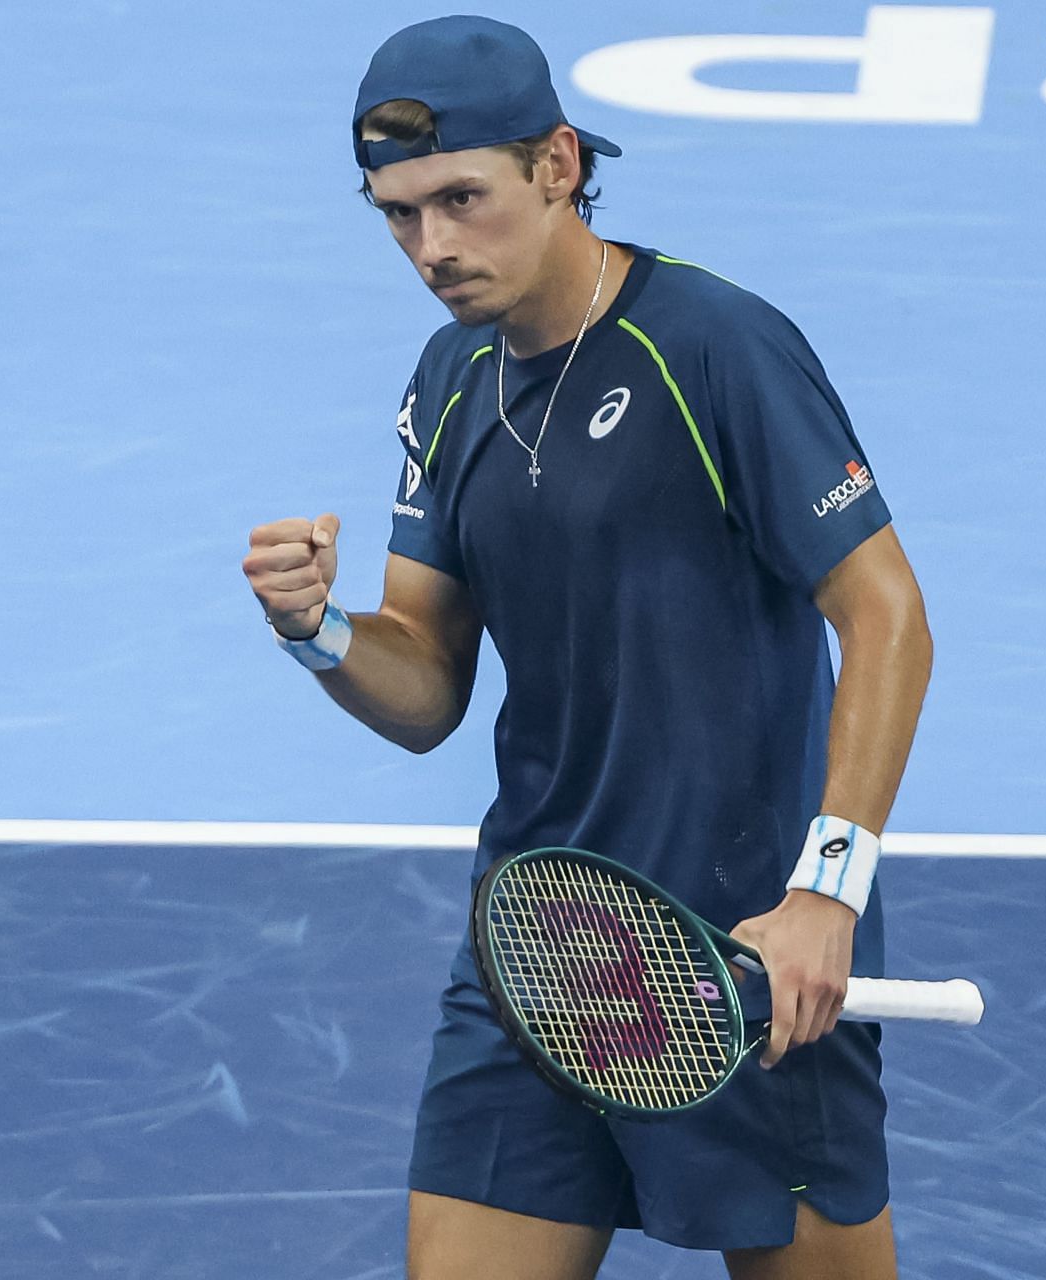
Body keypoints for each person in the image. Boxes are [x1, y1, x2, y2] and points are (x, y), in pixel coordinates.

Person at [241, 16, 933, 1280]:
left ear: (558, 164)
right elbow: (427, 683)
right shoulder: (448, 380)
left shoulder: (718, 347)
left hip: (749, 963)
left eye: (462, 198)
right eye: (399, 215)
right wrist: (320, 630)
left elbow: (886, 611)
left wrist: (826, 892)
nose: (433, 247)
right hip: (546, 950)